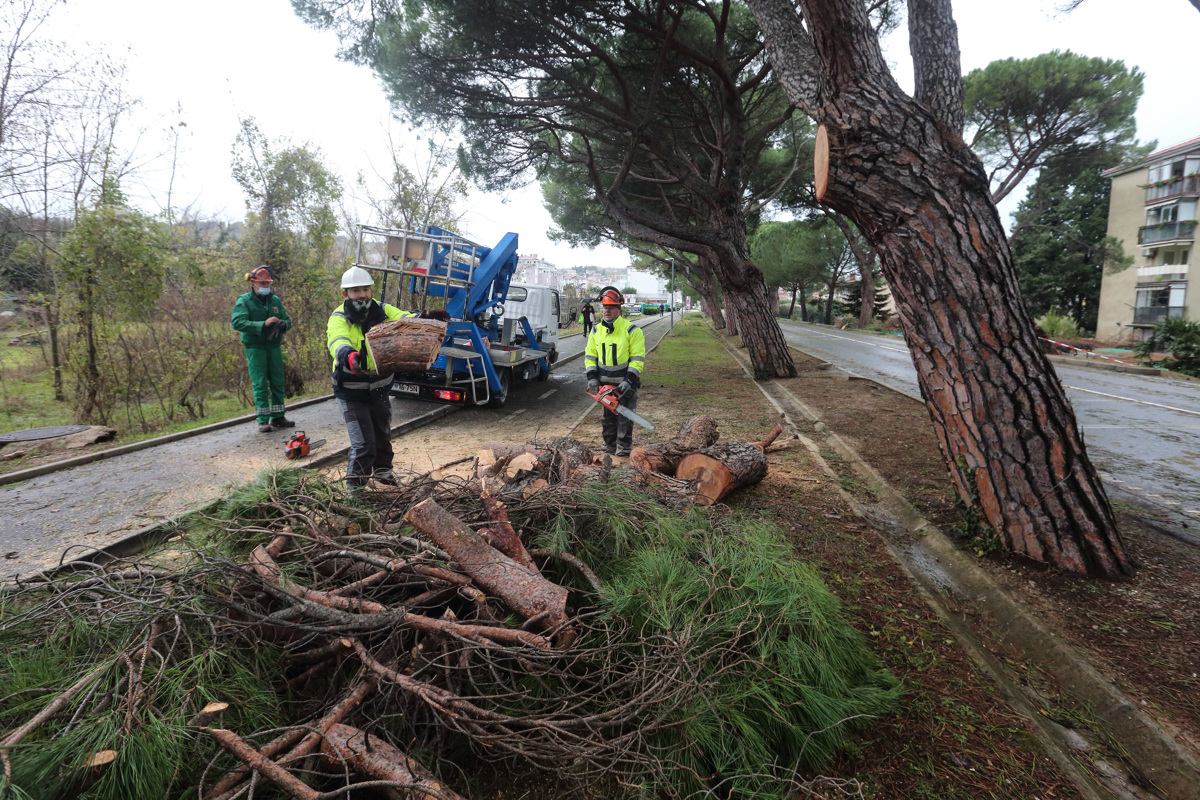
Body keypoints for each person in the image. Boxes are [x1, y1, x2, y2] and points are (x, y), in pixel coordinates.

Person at [326, 266, 420, 489]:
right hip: (352, 392)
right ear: (345, 294)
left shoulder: (383, 310)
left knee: (382, 440)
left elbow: (406, 319)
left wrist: (423, 318)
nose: (362, 294)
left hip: (379, 390)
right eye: (356, 290)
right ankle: (355, 492)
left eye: (366, 289)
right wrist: (348, 355)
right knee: (363, 446)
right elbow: (337, 340)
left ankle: (384, 479)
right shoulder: (339, 317)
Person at [584, 286, 646, 457]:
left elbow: (637, 359)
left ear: (619, 309)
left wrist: (629, 380)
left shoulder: (632, 330)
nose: (607, 310)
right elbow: (590, 356)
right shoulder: (596, 330)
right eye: (604, 307)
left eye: (611, 307)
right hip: (604, 384)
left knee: (625, 417)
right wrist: (592, 378)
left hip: (625, 383)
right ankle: (609, 445)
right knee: (607, 418)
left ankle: (624, 447)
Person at [231, 266, 293, 433]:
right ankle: (263, 420)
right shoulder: (244, 301)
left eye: (267, 283)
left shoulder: (275, 301)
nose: (266, 286)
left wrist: (283, 324)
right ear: (253, 283)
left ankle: (278, 416)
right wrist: (262, 324)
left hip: (273, 346)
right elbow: (237, 322)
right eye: (263, 283)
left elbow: (287, 320)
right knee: (260, 383)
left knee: (278, 381)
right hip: (255, 347)